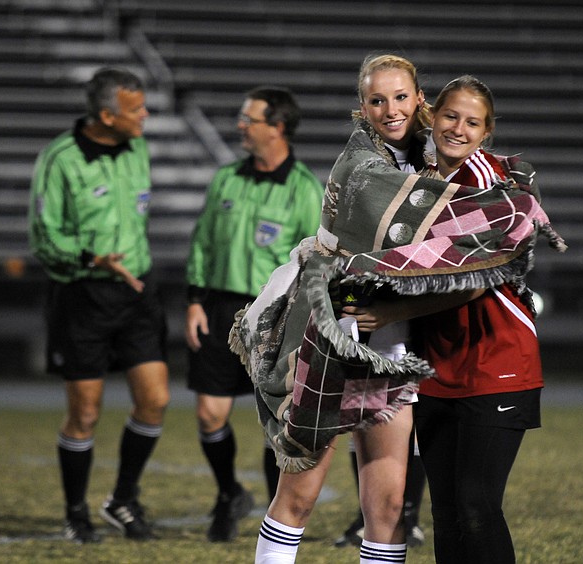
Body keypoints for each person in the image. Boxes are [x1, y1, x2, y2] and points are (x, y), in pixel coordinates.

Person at [230, 55, 564, 564]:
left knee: (388, 508)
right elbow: (348, 259)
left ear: (419, 100)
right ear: (361, 108)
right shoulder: (363, 167)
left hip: (401, 352)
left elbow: (483, 225)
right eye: (377, 100)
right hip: (341, 342)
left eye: (401, 97)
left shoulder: (434, 161)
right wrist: (352, 319)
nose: (391, 110)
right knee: (299, 494)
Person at [412, 75, 552, 563]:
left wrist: (381, 308)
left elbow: (464, 280)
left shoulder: (491, 186)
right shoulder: (417, 177)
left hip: (498, 361)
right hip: (437, 365)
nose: (458, 128)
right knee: (446, 511)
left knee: (477, 506)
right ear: (432, 116)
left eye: (473, 122)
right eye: (450, 116)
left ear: (487, 131)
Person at [28, 67, 169, 543]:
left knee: (155, 400)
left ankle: (122, 499)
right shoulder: (59, 159)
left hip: (136, 292)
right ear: (107, 116)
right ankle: (75, 512)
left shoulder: (139, 148)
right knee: (85, 412)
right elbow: (44, 236)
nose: (145, 115)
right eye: (136, 110)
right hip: (82, 295)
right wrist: (90, 257)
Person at [185, 86, 323, 542]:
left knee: (276, 422)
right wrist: (194, 300)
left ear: (278, 126)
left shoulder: (305, 187)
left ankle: (275, 512)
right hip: (221, 307)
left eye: (249, 119)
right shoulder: (226, 177)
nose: (240, 125)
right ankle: (229, 493)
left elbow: (314, 258)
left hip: (275, 315)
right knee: (209, 413)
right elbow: (203, 241)